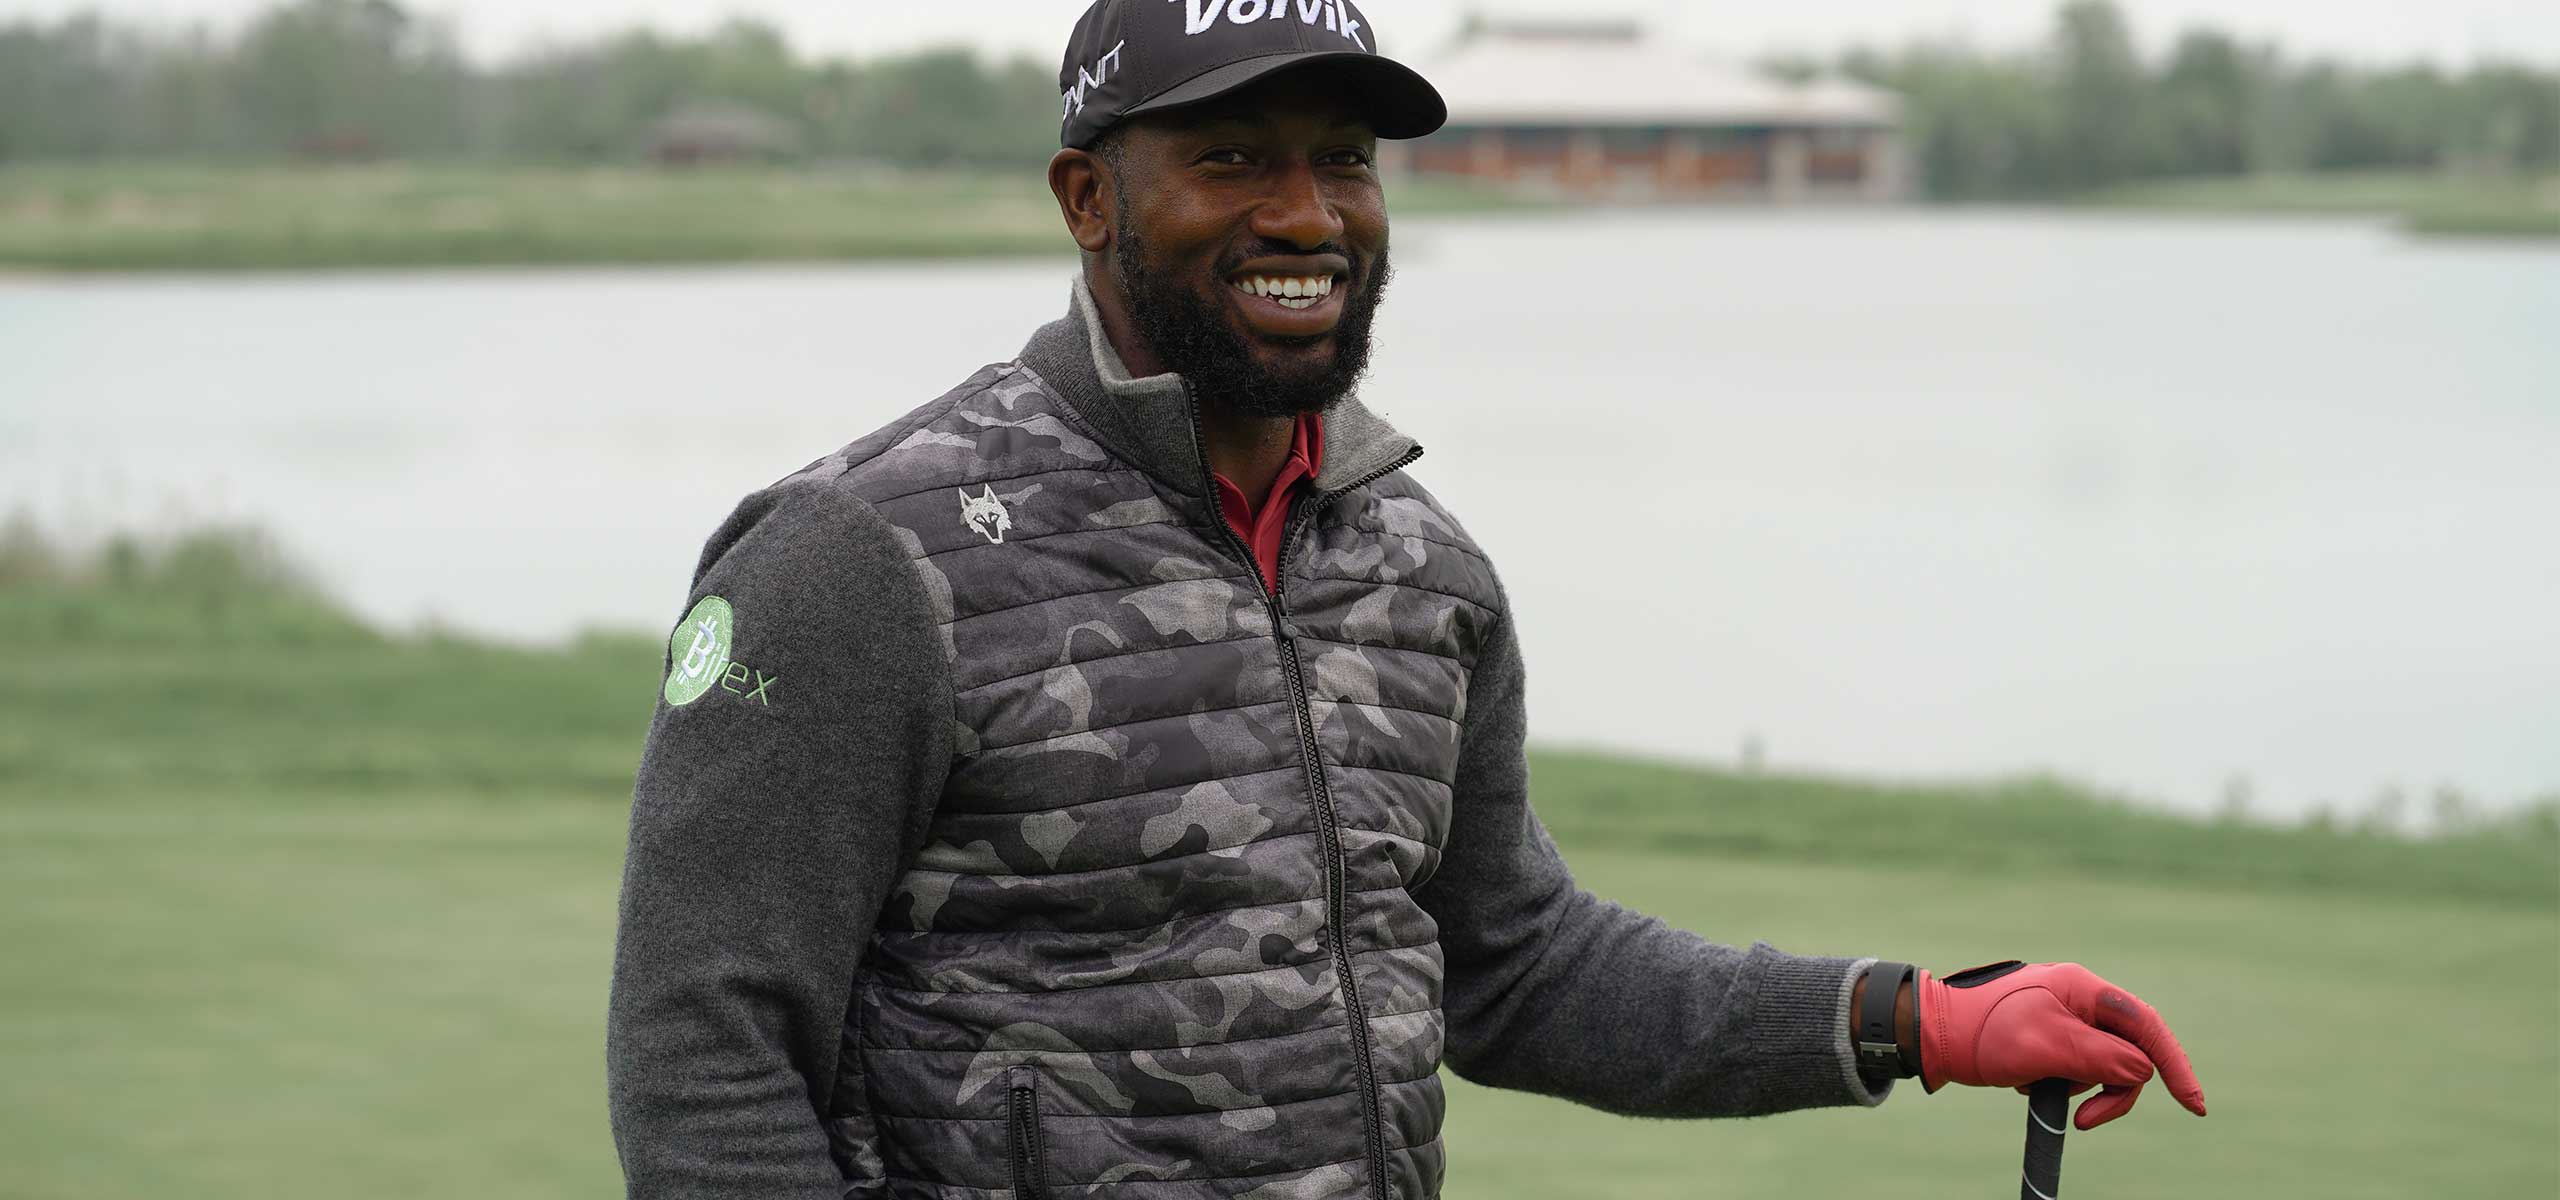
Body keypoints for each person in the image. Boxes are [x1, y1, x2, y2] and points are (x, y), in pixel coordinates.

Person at [604, 3, 2207, 1197]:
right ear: (1087, 198)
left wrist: (1913, 1018)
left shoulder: (1416, 565)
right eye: (1231, 159)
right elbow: (705, 1055)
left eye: (1344, 162)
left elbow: (1517, 965)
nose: (1305, 215)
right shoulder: (857, 555)